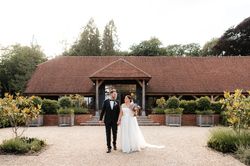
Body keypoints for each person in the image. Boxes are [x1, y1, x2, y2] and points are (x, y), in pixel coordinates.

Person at [99, 89, 120, 153]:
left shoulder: (117, 102)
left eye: (116, 94)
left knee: (115, 133)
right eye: (114, 94)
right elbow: (103, 111)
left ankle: (114, 144)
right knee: (108, 134)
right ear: (111, 94)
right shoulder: (106, 102)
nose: (115, 95)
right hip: (107, 121)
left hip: (115, 121)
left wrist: (119, 120)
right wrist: (100, 119)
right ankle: (109, 147)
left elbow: (119, 112)